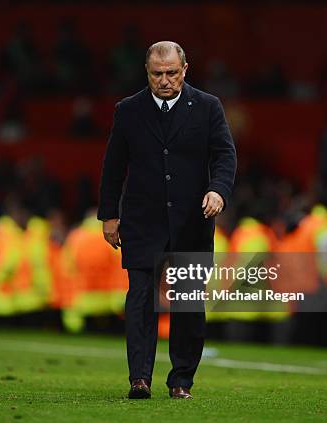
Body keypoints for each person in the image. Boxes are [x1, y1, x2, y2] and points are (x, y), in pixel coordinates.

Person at [98, 41, 236, 399]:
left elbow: (224, 155)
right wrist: (109, 215)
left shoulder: (208, 107)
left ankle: (181, 381)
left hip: (192, 220)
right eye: (157, 74)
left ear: (185, 69)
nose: (164, 80)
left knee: (188, 305)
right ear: (147, 72)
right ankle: (139, 379)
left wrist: (218, 190)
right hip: (143, 222)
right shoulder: (128, 110)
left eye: (171, 73)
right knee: (141, 300)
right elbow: (113, 166)